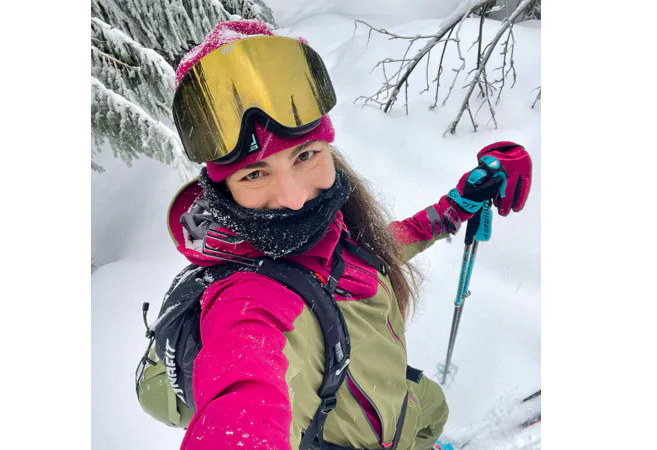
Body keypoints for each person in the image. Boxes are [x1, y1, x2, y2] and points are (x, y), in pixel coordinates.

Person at [166, 19, 532, 450]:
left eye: (305, 155)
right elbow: (243, 394)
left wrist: (456, 205)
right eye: (255, 173)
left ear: (328, 149)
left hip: (397, 406)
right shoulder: (250, 302)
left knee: (432, 407)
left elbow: (375, 248)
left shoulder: (331, 229)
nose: (295, 198)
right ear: (223, 189)